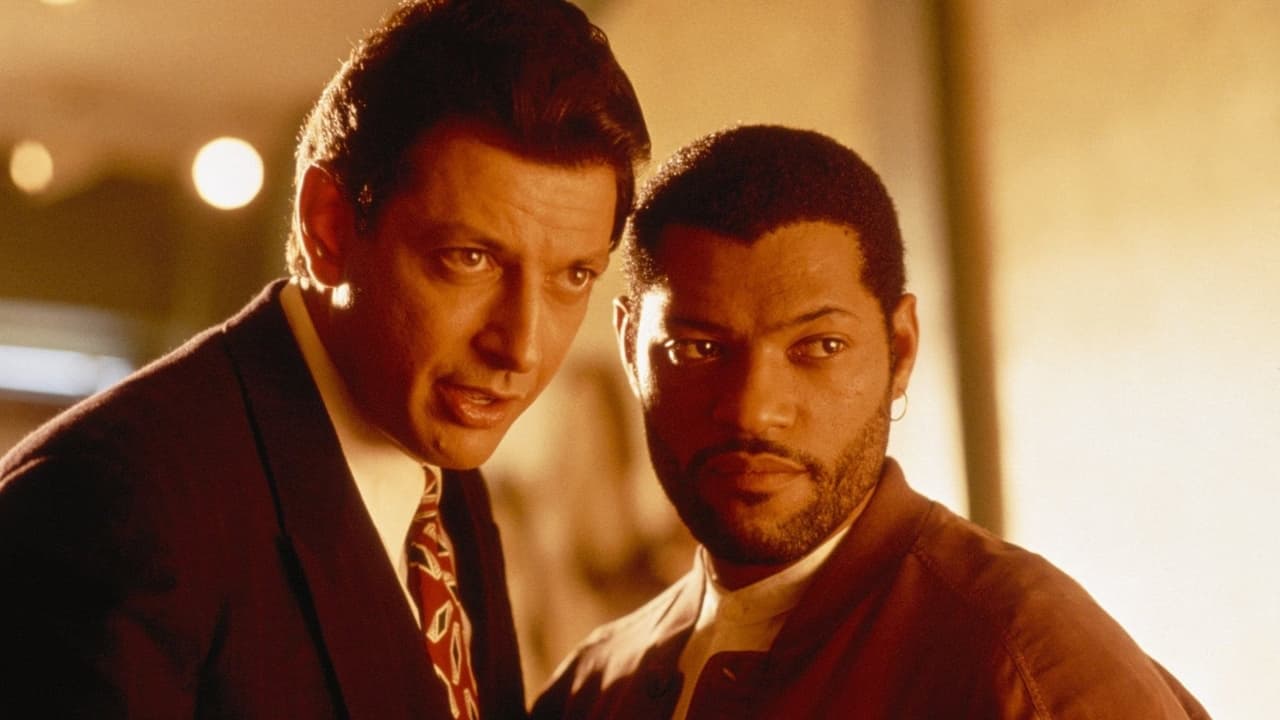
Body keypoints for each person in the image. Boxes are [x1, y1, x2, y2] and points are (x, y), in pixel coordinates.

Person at [0, 1, 648, 717]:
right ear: (329, 227)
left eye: (573, 276)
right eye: (469, 259)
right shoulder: (112, 505)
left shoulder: (446, 483)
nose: (521, 347)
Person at [531, 125, 1209, 719]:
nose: (753, 409)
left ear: (900, 349)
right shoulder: (595, 686)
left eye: (819, 346)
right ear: (630, 348)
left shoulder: (1025, 665)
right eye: (699, 350)